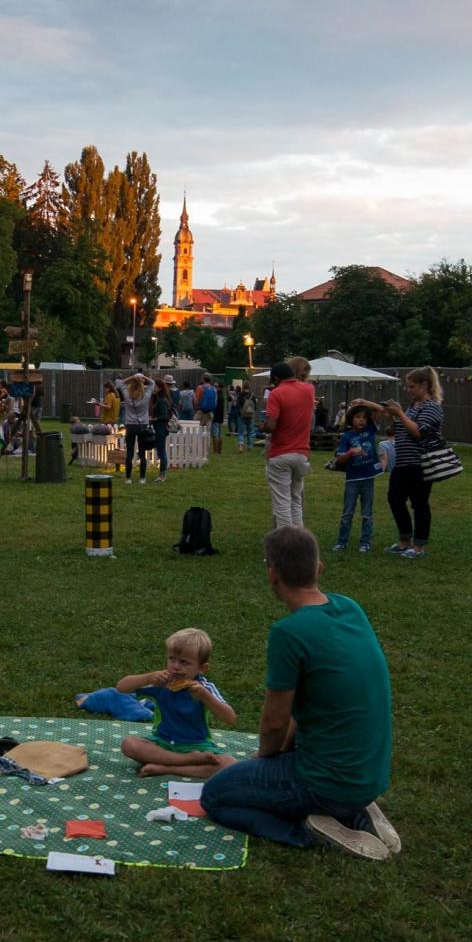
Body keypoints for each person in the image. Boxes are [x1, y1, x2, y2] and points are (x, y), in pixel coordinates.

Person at [201, 526, 398, 861]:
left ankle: (307, 831)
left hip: (324, 780)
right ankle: (354, 812)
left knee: (216, 794)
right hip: (369, 772)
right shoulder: (350, 608)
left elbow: (275, 722)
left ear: (272, 575)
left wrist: (263, 760)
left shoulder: (289, 633)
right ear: (319, 568)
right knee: (260, 775)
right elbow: (302, 710)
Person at [117, 628, 238, 780]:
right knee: (129, 744)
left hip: (197, 746)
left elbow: (230, 718)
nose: (176, 666)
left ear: (202, 668)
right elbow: (121, 688)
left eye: (184, 662)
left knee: (231, 765)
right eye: (172, 659)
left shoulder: (204, 688)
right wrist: (148, 678)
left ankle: (167, 768)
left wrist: (205, 696)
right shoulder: (160, 682)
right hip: (162, 743)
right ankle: (187, 762)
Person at [353, 366, 445, 558]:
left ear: (424, 385)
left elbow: (418, 431)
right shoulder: (414, 406)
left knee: (419, 503)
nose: (408, 390)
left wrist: (400, 414)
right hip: (403, 463)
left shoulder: (432, 407)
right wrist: (366, 403)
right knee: (395, 498)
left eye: (411, 386)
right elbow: (390, 413)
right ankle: (405, 541)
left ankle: (419, 547)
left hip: (420, 464)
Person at [263, 360, 315, 528]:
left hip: (281, 453)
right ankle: (300, 541)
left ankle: (286, 544)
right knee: (296, 501)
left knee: (282, 503)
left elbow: (271, 426)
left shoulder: (276, 393)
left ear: (277, 378)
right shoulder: (309, 390)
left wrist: (263, 426)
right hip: (302, 454)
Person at [332, 406, 381, 553]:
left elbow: (379, 410)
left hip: (368, 478)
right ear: (351, 419)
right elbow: (340, 459)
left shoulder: (370, 430)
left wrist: (362, 401)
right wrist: (351, 452)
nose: (362, 420)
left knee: (367, 514)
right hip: (352, 480)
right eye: (358, 417)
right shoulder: (347, 436)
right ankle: (342, 542)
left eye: (364, 417)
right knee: (347, 513)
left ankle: (365, 542)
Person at [117, 372, 153, 484]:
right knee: (142, 453)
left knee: (129, 453)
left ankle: (128, 478)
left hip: (130, 425)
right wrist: (143, 378)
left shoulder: (127, 396)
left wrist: (133, 377)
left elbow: (120, 384)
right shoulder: (146, 395)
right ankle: (142, 478)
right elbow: (152, 383)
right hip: (142, 425)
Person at [150, 376, 173, 483]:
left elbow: (164, 416)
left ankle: (162, 475)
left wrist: (154, 418)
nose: (153, 388)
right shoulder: (157, 399)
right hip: (158, 428)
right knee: (160, 452)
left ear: (159, 388)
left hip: (160, 429)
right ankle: (162, 474)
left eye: (154, 386)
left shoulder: (161, 400)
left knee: (161, 452)